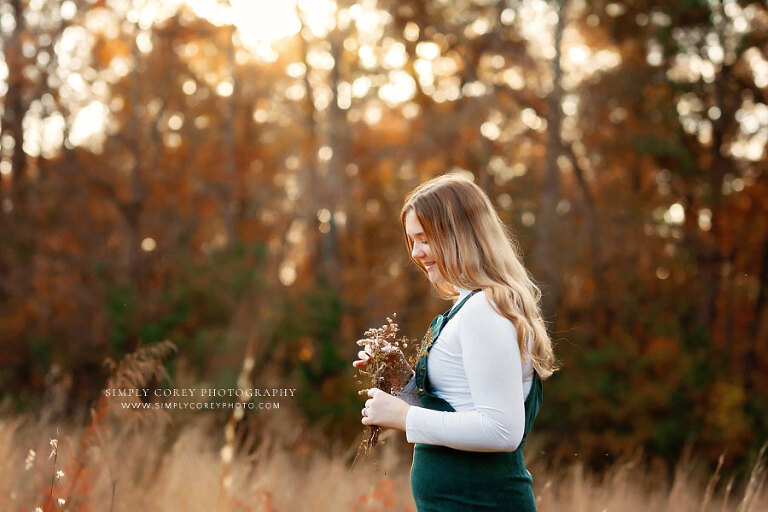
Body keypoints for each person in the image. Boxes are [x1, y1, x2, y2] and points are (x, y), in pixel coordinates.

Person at [353, 173, 558, 511]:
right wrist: (404, 380)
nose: (417, 253)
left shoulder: (484, 310)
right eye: (412, 241)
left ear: (459, 235)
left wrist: (404, 417)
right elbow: (457, 410)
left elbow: (501, 430)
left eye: (424, 239)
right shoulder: (470, 305)